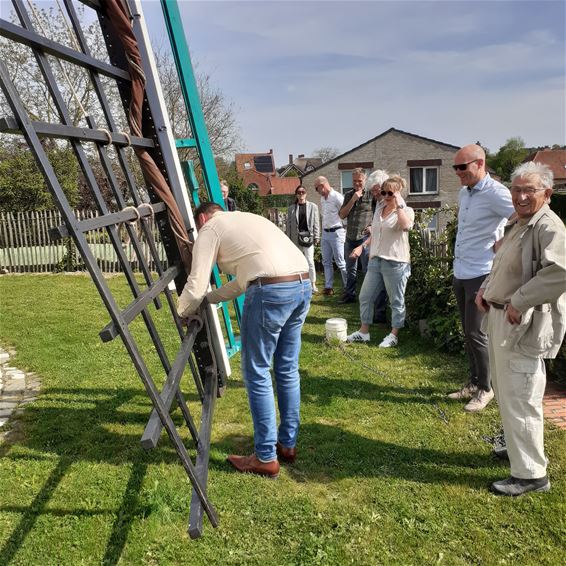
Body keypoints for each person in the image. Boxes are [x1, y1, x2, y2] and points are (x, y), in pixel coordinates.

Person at [177, 203, 312, 478]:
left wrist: (182, 310)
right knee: (287, 369)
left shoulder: (210, 228)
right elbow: (240, 283)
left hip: (270, 290)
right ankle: (287, 445)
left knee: (256, 371)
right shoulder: (246, 220)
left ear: (201, 218)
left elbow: (196, 281)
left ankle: (265, 457)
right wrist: (207, 300)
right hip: (302, 282)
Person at [475, 162, 565, 496]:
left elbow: (560, 271)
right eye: (516, 189)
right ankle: (515, 448)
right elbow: (503, 264)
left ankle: (531, 475)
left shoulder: (549, 227)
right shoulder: (521, 222)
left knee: (522, 393)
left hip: (522, 323)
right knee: (508, 390)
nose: (521, 196)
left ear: (547, 194)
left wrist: (519, 300)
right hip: (503, 318)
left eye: (530, 190)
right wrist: (487, 289)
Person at [448, 144, 514, 412]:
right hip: (461, 271)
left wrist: (505, 242)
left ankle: (486, 389)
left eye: (462, 167)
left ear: (480, 163)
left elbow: (520, 219)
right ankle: (474, 382)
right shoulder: (466, 193)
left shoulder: (496, 193)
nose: (458, 173)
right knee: (468, 332)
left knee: (477, 333)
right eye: (455, 168)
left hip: (482, 273)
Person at [346, 175, 414, 347]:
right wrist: (363, 247)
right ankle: (364, 332)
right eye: (383, 192)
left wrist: (399, 204)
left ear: (398, 193)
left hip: (396, 261)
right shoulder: (379, 208)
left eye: (389, 192)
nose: (385, 196)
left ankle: (394, 334)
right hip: (376, 260)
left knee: (396, 300)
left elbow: (405, 226)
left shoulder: (406, 210)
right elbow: (376, 233)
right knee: (365, 296)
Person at [338, 168, 374, 304]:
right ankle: (350, 295)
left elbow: (377, 214)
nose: (357, 183)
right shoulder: (348, 195)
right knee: (350, 269)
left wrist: (372, 226)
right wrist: (353, 200)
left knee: (366, 270)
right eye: (354, 181)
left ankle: (367, 298)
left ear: (365, 180)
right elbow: (342, 215)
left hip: (364, 238)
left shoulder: (371, 195)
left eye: (360, 181)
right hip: (350, 237)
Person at [314, 176, 347, 295]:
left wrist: (344, 231)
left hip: (336, 232)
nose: (316, 191)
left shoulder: (337, 197)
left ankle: (347, 287)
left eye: (316, 188)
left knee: (340, 262)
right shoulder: (323, 199)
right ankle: (328, 287)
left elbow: (345, 214)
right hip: (325, 234)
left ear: (322, 186)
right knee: (326, 261)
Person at [286, 185, 321, 292]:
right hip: (295, 239)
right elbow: (288, 225)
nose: (301, 194)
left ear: (306, 194)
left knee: (310, 261)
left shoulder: (313, 206)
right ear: (296, 194)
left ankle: (312, 284)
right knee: (297, 262)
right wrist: (288, 239)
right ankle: (298, 284)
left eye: (303, 192)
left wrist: (317, 236)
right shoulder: (291, 208)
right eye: (299, 192)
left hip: (308, 238)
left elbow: (316, 222)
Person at [366, 169, 390, 323]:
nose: (373, 194)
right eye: (372, 191)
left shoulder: (391, 202)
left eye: (375, 190)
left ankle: (385, 318)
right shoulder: (378, 203)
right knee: (377, 284)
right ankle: (378, 315)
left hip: (388, 251)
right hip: (376, 249)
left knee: (388, 287)